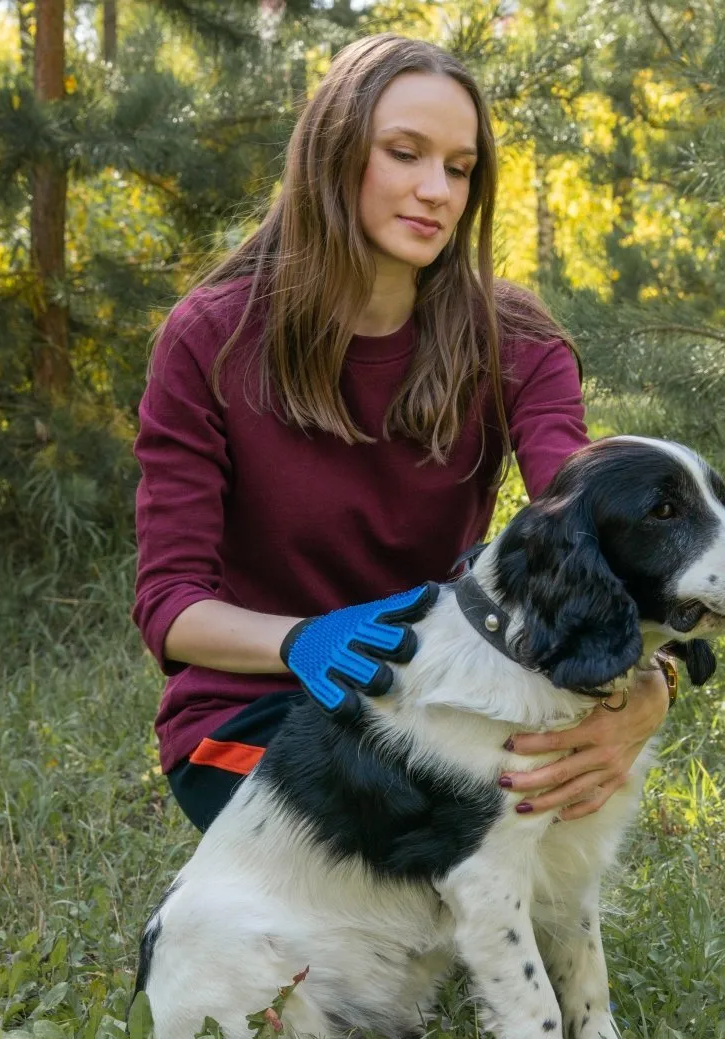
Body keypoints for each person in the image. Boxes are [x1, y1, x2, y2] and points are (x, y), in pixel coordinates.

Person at [132, 33, 671, 833]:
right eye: (404, 153)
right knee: (379, 902)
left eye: (457, 168)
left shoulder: (518, 341)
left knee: (482, 860)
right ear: (333, 155)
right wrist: (304, 641)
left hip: (433, 697)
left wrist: (646, 694)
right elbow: (171, 605)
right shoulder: (210, 339)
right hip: (254, 713)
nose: (435, 191)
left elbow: (594, 519)